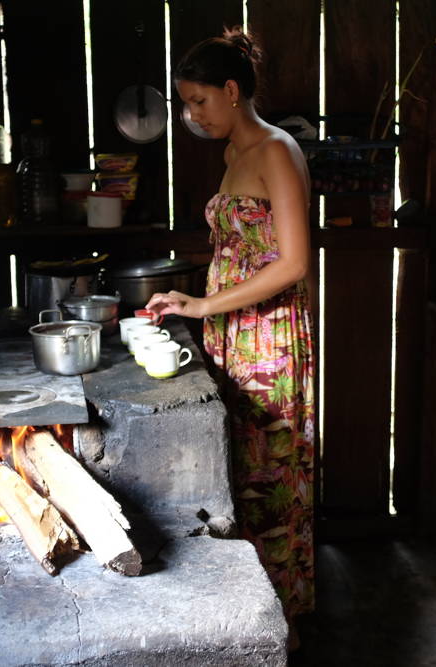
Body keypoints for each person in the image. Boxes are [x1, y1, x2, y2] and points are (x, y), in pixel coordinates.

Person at [145, 27, 316, 634]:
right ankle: (245, 616)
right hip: (231, 333)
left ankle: (281, 624)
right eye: (186, 104)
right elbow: (237, 251)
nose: (192, 115)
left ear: (232, 89)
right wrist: (191, 302)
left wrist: (202, 306)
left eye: (199, 101)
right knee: (236, 474)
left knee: (270, 473)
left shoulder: (276, 150)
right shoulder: (230, 154)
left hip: (268, 340)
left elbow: (293, 263)